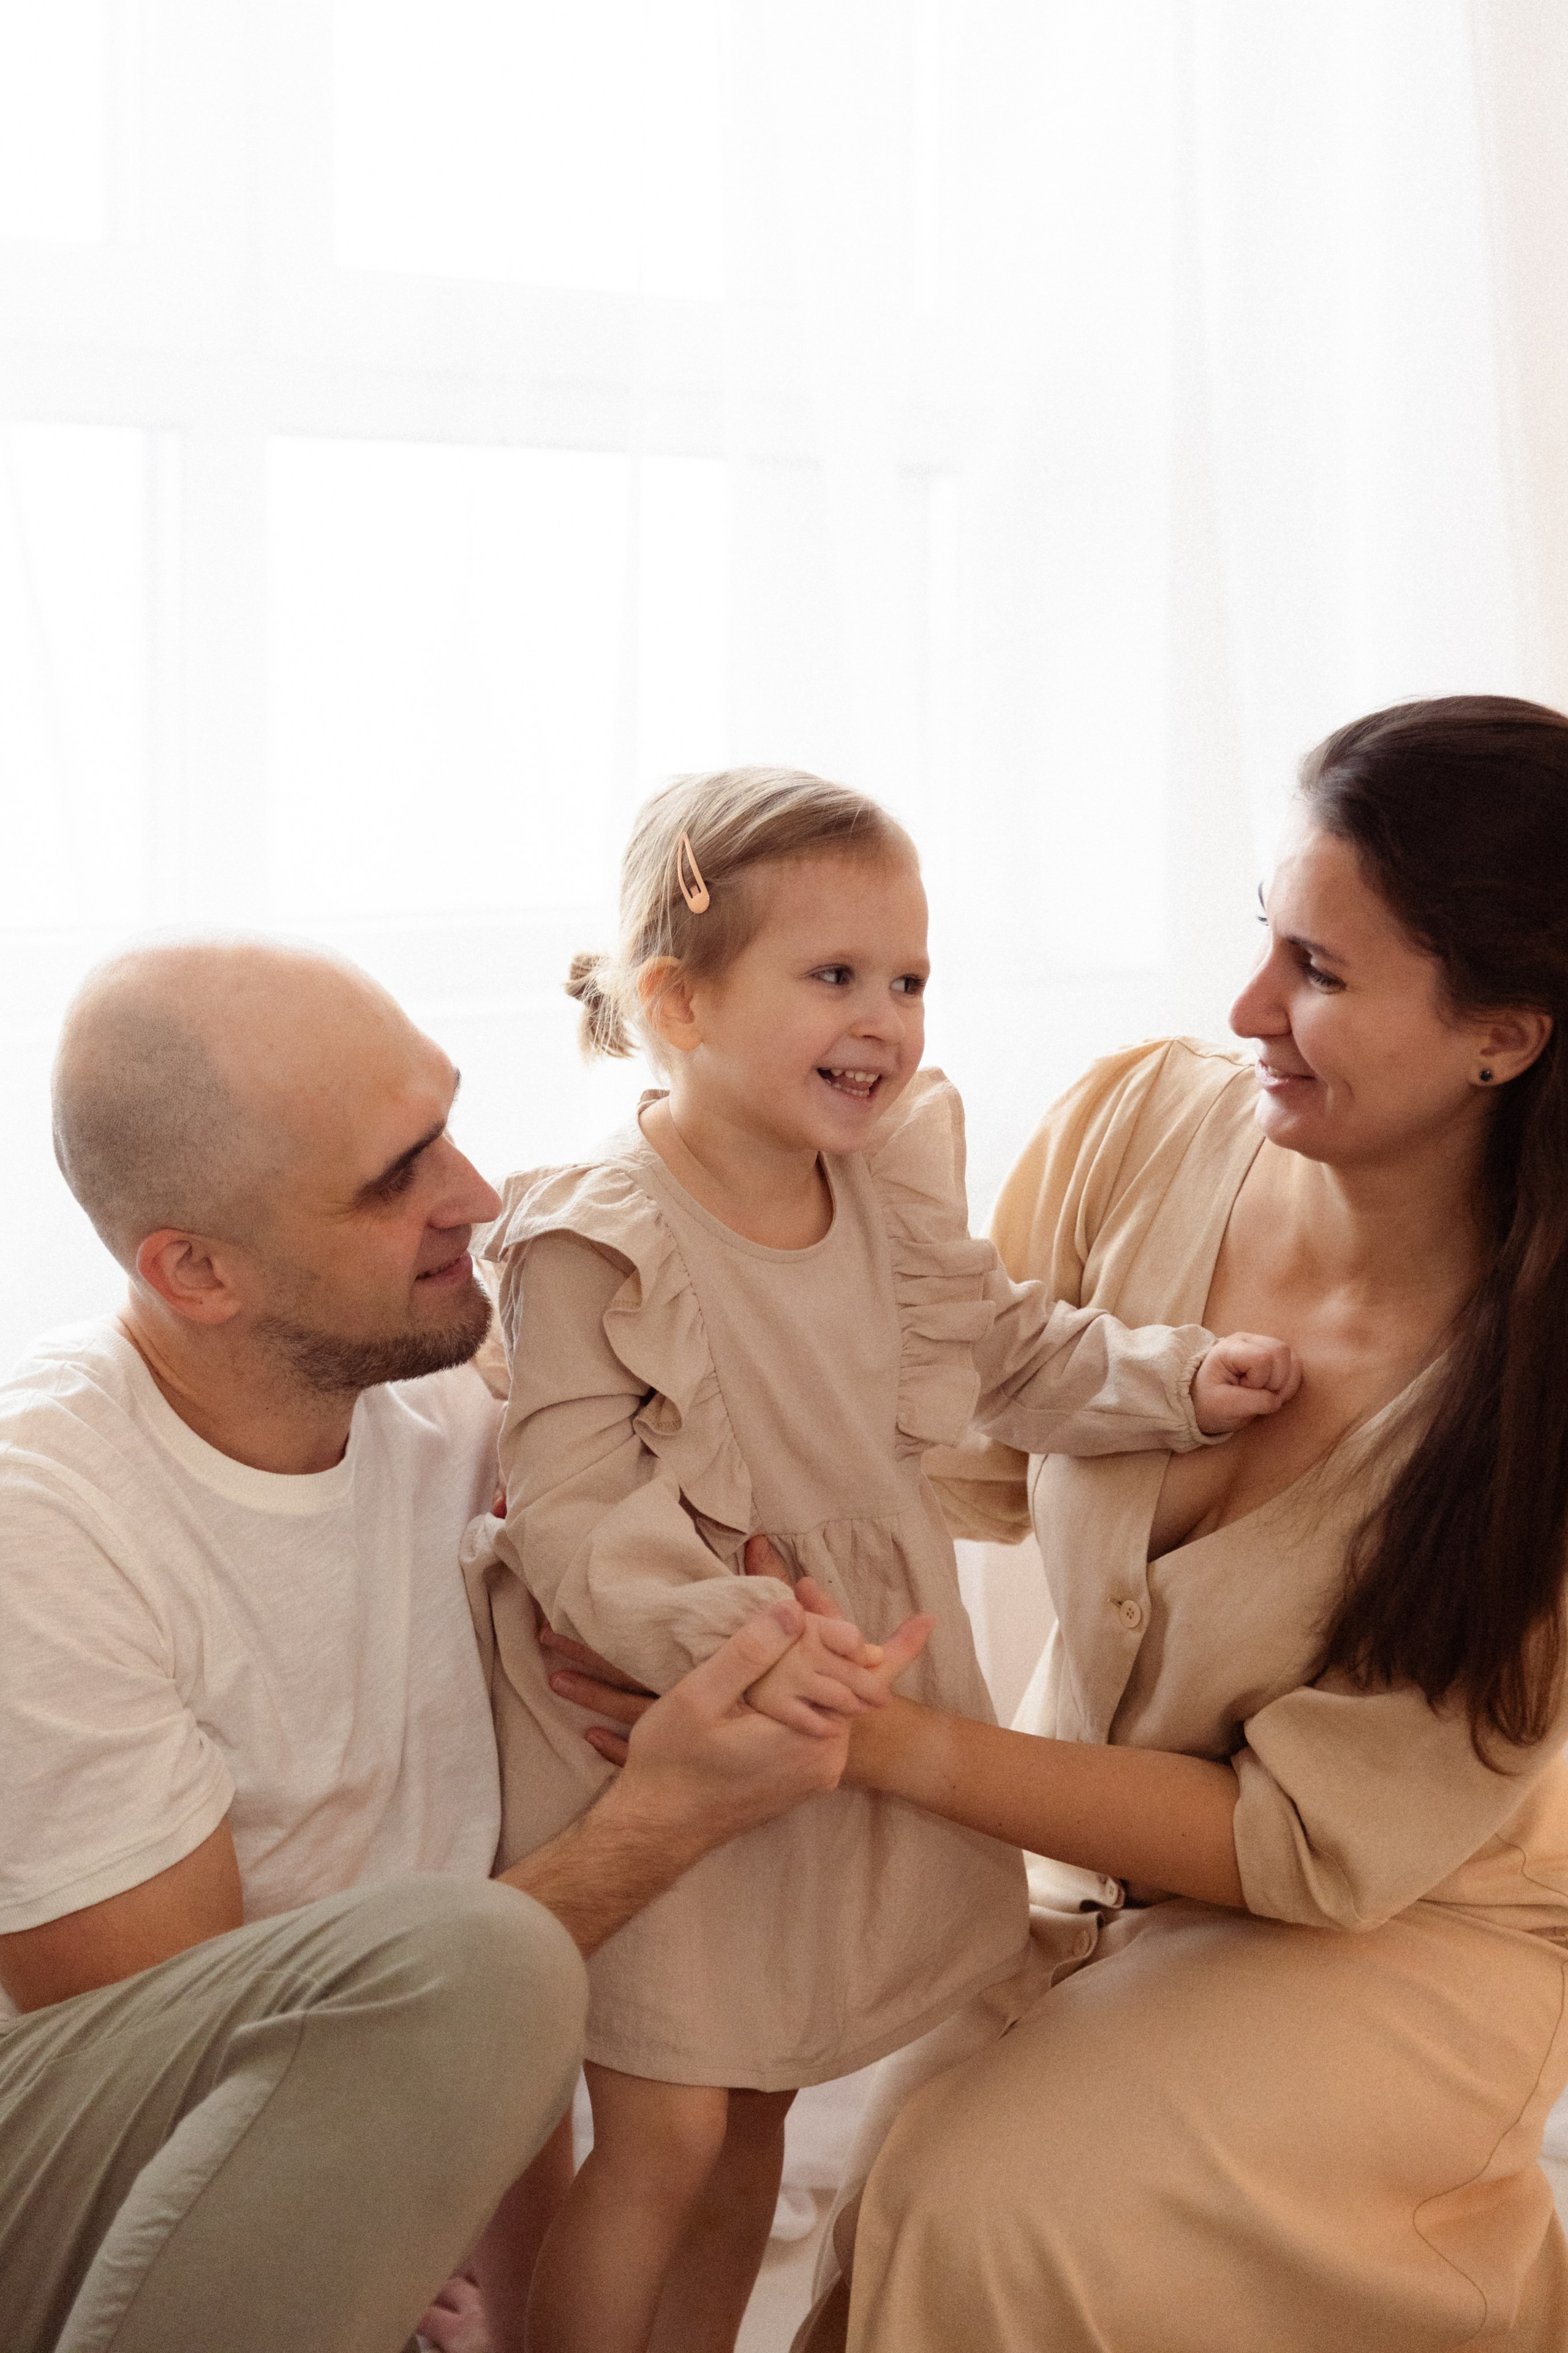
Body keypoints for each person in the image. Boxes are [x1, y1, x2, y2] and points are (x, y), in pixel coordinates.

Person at [557, 698, 1568, 2353]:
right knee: (881, 2210)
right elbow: (913, 1436)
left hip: (1402, 1924)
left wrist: (865, 1737)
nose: (1247, 1008)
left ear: (1503, 1036)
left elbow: (1305, 1850)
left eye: (1320, 970)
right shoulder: (1138, 1131)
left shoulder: (1534, 1400)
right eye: (1265, 934)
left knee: (991, 2201)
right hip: (1074, 1871)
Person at [470, 766, 1301, 2353]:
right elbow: (570, 1502)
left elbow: (1010, 1347)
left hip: (850, 1712)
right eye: (834, 977)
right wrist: (732, 1627)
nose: (887, 1017)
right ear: (680, 1001)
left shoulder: (885, 1193)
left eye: (908, 978)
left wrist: (1175, 1379)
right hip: (688, 1720)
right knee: (662, 2136)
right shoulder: (600, 1229)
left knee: (767, 2114)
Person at [0, 937, 914, 2353]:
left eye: (446, 1124)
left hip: (343, 2160)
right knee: (470, 1959)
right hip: (93, 2169)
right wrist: (665, 1813)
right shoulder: (46, 1526)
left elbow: (472, 2008)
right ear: (197, 1271)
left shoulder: (462, 1420)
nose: (476, 1198)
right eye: (394, 1176)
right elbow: (196, 2060)